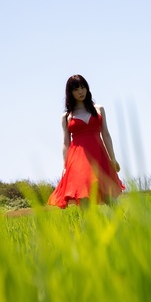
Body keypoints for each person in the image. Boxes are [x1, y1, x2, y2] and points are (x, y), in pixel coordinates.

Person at [47, 74, 125, 208]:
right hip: (78, 160)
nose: (81, 92)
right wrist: (66, 166)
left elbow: (105, 134)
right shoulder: (67, 116)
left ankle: (124, 225)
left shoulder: (98, 109)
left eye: (83, 87)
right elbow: (65, 143)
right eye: (76, 89)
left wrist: (113, 158)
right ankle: (89, 228)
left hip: (99, 155)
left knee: (109, 196)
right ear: (70, 93)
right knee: (84, 198)